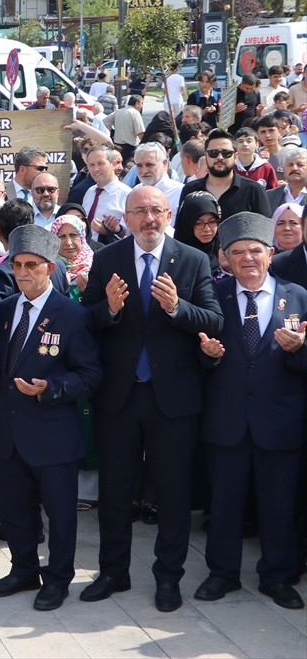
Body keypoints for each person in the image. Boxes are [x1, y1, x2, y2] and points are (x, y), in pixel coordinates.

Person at [79, 186, 224, 612]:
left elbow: (214, 321)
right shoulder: (108, 259)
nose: (148, 219)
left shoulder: (194, 259)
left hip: (173, 400)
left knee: (174, 492)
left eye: (156, 211)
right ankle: (112, 571)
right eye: (139, 211)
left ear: (169, 213)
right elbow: (87, 321)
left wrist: (178, 307)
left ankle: (168, 577)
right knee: (116, 489)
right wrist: (108, 308)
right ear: (125, 217)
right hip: (119, 398)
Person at [0, 226, 101, 611]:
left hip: (52, 432)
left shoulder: (71, 314)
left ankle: (59, 578)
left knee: (60, 513)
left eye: (32, 265)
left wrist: (50, 388)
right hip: (9, 430)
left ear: (49, 267)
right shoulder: (6, 308)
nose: (23, 272)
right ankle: (24, 568)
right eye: (17, 265)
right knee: (14, 508)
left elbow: (90, 375)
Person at [195, 213, 307, 611]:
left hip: (280, 423)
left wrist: (299, 350)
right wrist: (205, 356)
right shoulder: (213, 296)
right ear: (224, 257)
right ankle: (222, 573)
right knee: (224, 503)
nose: (247, 259)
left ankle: (277, 575)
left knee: (278, 504)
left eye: (255, 251)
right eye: (237, 252)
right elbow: (194, 356)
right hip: (226, 422)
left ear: (270, 253)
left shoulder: (298, 296)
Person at [182, 129, 272, 220]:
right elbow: (182, 231)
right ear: (206, 156)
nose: (220, 157)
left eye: (226, 153)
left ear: (235, 156)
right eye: (213, 153)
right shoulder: (190, 190)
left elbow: (264, 231)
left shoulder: (254, 190)